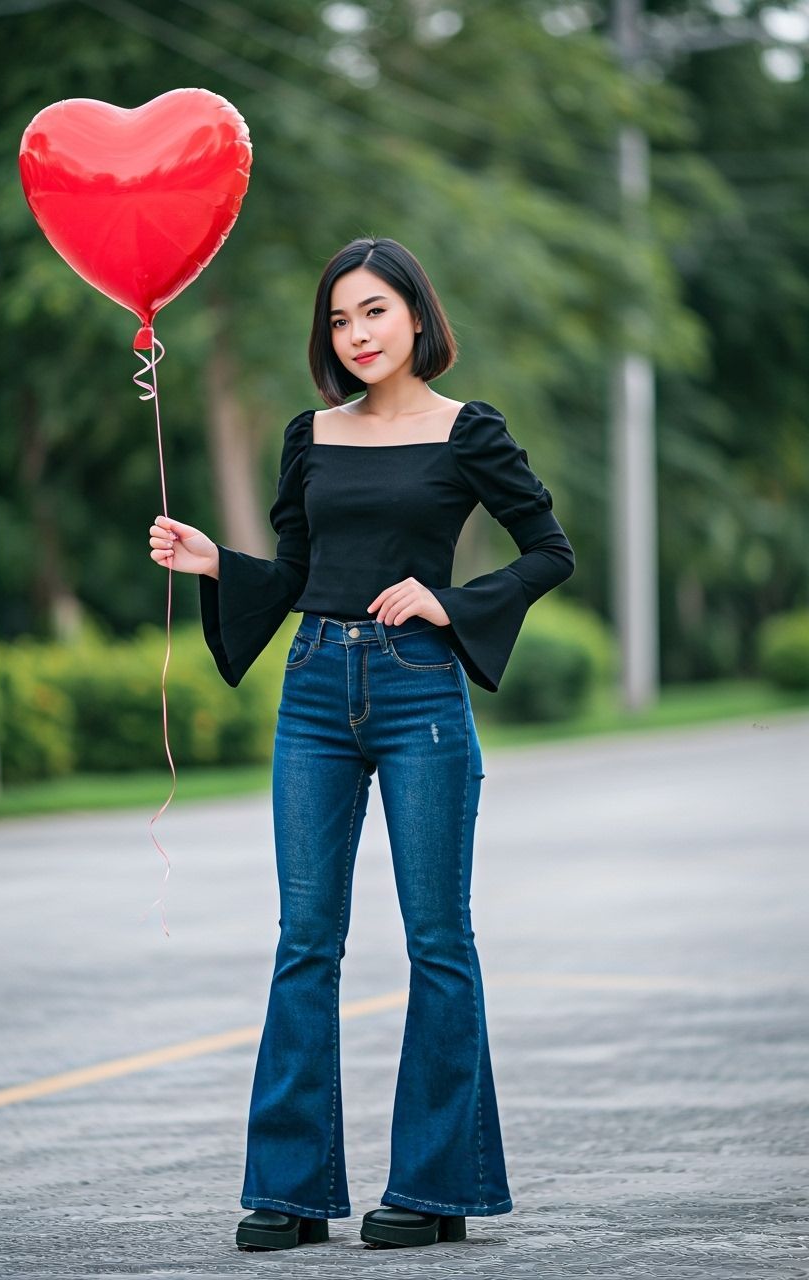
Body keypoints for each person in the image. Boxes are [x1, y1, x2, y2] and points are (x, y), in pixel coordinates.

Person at [148, 236, 575, 1253]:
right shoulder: (309, 434)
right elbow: (299, 568)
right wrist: (219, 562)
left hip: (418, 688)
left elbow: (549, 550)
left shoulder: (466, 430)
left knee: (437, 939)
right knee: (306, 942)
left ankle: (434, 1186)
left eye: (374, 310)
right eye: (339, 318)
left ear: (417, 316)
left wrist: (449, 598)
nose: (356, 333)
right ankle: (291, 1191)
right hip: (311, 692)